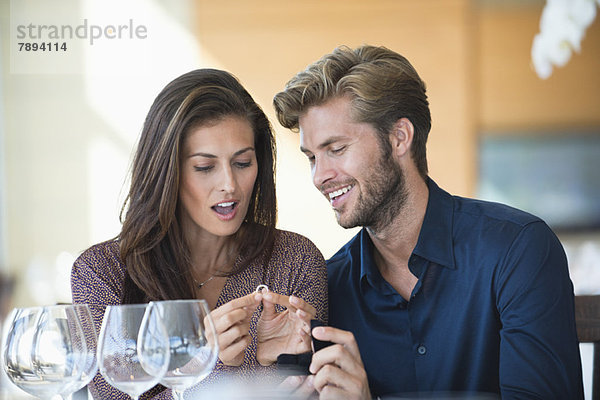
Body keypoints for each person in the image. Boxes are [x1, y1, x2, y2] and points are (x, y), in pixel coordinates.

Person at [273, 45, 583, 399]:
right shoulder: (326, 287)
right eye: (312, 157)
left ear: (399, 137)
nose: (319, 176)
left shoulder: (518, 250)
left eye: (336, 149)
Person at [71, 69, 328, 399]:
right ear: (168, 172)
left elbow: (308, 394)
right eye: (205, 167)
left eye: (243, 162)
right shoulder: (102, 272)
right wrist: (211, 368)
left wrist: (271, 364)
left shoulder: (296, 260)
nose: (229, 185)